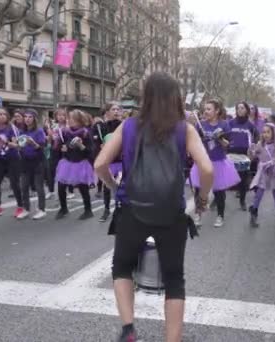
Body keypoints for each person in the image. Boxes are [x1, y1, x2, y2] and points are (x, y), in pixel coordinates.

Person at [94, 72, 213, 342]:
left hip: (132, 210)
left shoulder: (128, 127)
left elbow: (100, 164)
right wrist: (202, 199)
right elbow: (206, 169)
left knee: (122, 267)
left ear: (145, 97)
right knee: (174, 278)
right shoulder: (186, 129)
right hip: (171, 213)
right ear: (176, 99)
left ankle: (128, 329)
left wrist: (114, 186)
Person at [190, 99, 240, 228]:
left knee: (219, 192)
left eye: (208, 109)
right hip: (203, 162)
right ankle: (198, 214)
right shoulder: (200, 124)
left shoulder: (224, 125)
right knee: (199, 190)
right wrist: (200, 138)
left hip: (218, 162)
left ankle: (220, 215)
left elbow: (227, 144)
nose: (205, 112)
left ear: (217, 111)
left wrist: (219, 138)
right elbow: (194, 143)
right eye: (204, 109)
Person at [55, 109, 96, 220]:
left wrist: (81, 146)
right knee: (61, 187)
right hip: (67, 162)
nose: (70, 121)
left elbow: (91, 151)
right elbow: (59, 146)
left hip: (80, 163)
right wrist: (61, 147)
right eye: (70, 118)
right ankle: (63, 209)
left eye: (73, 119)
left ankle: (88, 210)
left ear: (80, 120)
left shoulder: (86, 133)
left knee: (83, 188)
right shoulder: (65, 132)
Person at [0, 108, 24, 218]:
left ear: (7, 116)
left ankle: (21, 206)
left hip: (13, 158)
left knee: (14, 184)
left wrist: (6, 141)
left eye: (3, 114)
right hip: (1, 159)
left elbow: (18, 144)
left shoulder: (12, 128)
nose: (1, 116)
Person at [248, 123, 275, 228]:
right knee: (258, 194)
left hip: (274, 173)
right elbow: (252, 156)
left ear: (273, 133)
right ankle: (253, 215)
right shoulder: (260, 144)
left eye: (268, 132)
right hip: (263, 173)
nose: (266, 134)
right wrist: (251, 150)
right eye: (264, 132)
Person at [92, 102, 123, 223]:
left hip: (121, 161)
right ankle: (106, 209)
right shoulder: (101, 127)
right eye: (113, 109)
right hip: (109, 162)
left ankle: (120, 209)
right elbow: (95, 144)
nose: (116, 111)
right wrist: (100, 146)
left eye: (118, 109)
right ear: (107, 112)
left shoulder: (124, 126)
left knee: (121, 186)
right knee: (107, 186)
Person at [17, 109, 47, 220]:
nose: (27, 119)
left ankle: (41, 209)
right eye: (25, 117)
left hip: (37, 161)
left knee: (39, 186)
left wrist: (33, 143)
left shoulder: (39, 131)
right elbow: (20, 146)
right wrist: (17, 146)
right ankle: (26, 209)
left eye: (30, 117)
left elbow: (42, 147)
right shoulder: (21, 131)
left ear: (34, 119)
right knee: (24, 186)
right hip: (25, 161)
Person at [228, 101, 258, 211]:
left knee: (243, 179)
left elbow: (256, 139)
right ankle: (216, 200)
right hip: (230, 154)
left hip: (245, 155)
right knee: (225, 178)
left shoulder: (250, 125)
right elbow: (224, 136)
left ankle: (242, 201)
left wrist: (253, 151)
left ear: (246, 110)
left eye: (242, 108)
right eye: (238, 108)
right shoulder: (230, 123)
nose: (240, 110)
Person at [46, 108, 68, 200]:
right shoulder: (53, 126)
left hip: (64, 151)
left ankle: (65, 190)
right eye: (59, 115)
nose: (61, 117)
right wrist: (49, 136)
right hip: (54, 150)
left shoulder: (68, 126)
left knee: (63, 172)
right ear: (55, 116)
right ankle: (51, 191)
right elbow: (50, 140)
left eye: (63, 115)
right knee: (51, 170)